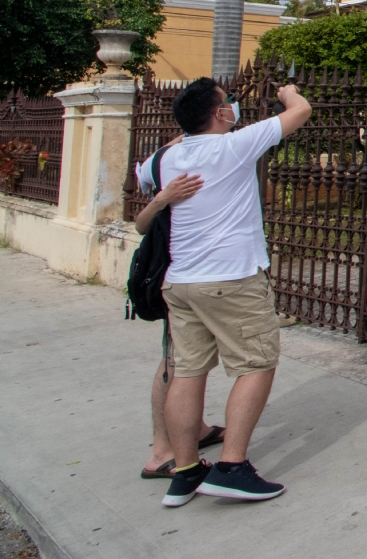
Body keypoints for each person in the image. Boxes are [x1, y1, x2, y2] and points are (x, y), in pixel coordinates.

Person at [134, 77, 312, 507]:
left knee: (188, 371)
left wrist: (181, 143)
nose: (234, 106)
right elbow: (301, 111)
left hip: (181, 283)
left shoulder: (161, 159)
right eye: (229, 102)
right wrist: (287, 94)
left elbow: (143, 182)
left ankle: (186, 470)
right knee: (256, 363)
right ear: (218, 113)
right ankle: (232, 467)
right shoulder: (233, 147)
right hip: (231, 279)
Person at [133, 159, 224, 479]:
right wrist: (163, 197)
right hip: (177, 277)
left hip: (199, 278)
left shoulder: (204, 155)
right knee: (174, 363)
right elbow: (141, 224)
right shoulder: (169, 159)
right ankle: (161, 453)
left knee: (190, 361)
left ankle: (194, 429)